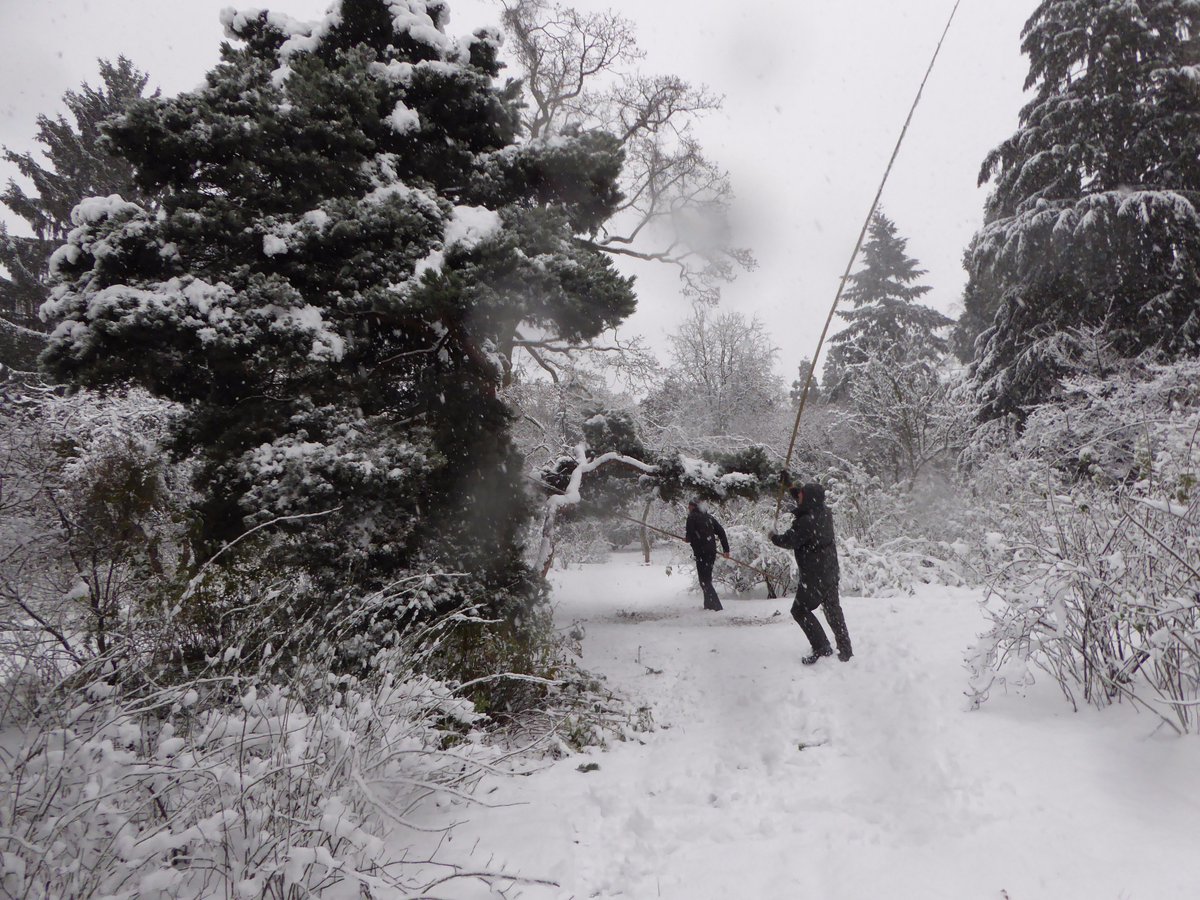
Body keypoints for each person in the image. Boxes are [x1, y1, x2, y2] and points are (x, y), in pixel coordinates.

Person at [770, 482, 853, 664]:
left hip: (814, 575)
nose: (798, 497)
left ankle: (822, 648)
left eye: (800, 495)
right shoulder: (824, 513)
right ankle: (846, 650)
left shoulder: (807, 520)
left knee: (800, 610)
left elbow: (790, 540)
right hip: (829, 571)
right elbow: (804, 503)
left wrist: (774, 537)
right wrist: (788, 484)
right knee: (833, 610)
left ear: (808, 498)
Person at [685, 498, 730, 611]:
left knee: (704, 581)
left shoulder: (692, 517)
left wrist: (688, 538)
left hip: (701, 553)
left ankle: (716, 606)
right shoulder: (709, 518)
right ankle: (708, 605)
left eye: (689, 506)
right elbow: (721, 532)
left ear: (694, 506)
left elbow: (690, 535)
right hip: (711, 552)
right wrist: (726, 550)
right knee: (707, 579)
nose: (688, 508)